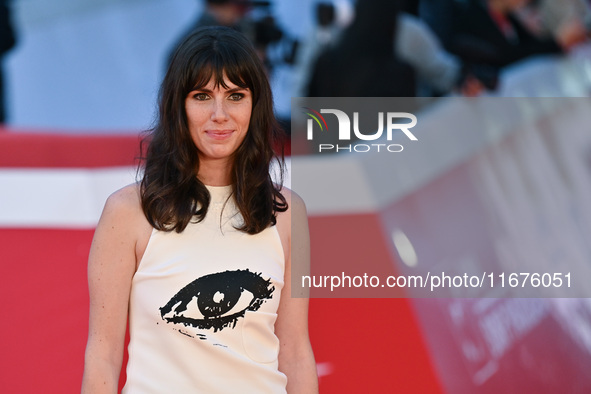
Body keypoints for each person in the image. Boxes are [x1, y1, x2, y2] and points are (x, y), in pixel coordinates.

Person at [82, 26, 318, 393]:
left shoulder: (288, 213)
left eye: (236, 96)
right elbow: (103, 353)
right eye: (203, 96)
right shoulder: (128, 212)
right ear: (179, 105)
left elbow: (295, 351)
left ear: (256, 105)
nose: (219, 114)